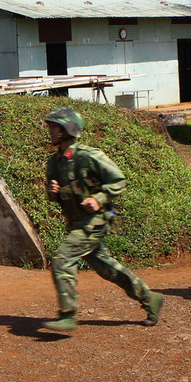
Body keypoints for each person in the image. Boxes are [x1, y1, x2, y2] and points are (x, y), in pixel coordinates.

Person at [41, 107, 163, 332]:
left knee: (61, 259)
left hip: (95, 222)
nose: (50, 130)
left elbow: (118, 180)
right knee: (107, 268)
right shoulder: (54, 162)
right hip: (77, 224)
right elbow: (56, 197)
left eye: (54, 126)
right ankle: (150, 298)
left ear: (68, 129)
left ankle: (68, 314)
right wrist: (52, 192)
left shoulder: (88, 156)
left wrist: (99, 198)